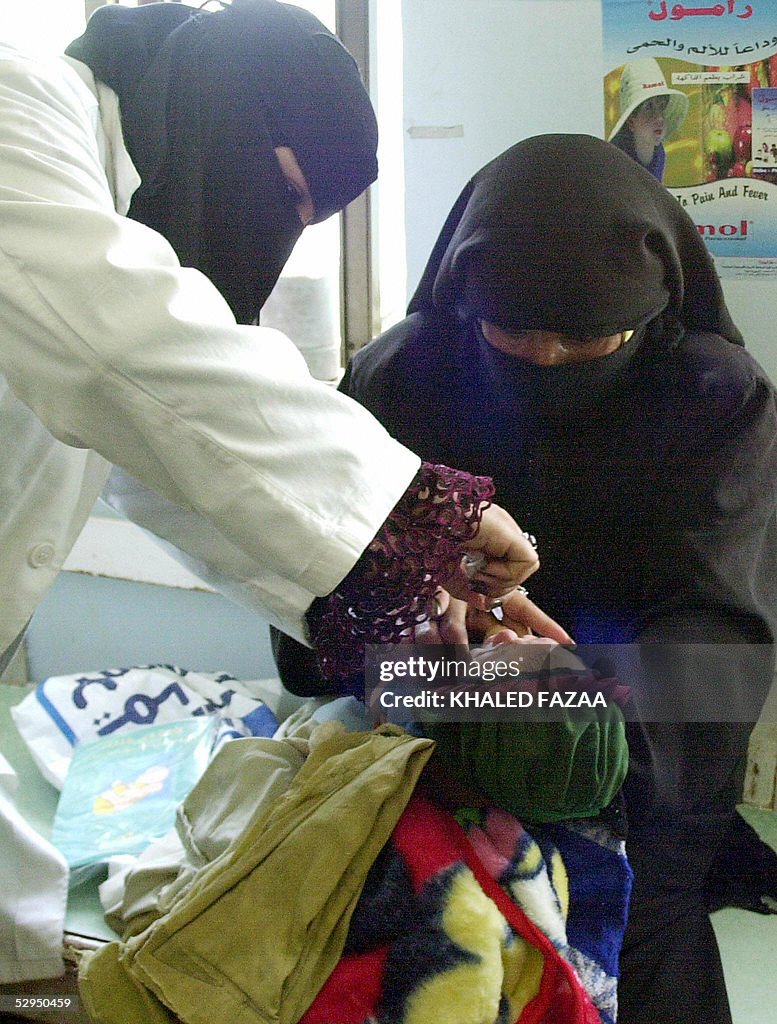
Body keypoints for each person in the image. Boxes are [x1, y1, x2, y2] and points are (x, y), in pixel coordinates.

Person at [0, 1, 566, 984]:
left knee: (30, 942)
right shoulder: (18, 106)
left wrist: (395, 593)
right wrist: (423, 516)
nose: (279, 242)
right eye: (290, 197)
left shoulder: (130, 197)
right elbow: (121, 352)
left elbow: (170, 468)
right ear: (227, 117)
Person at [273, 135, 777, 1024]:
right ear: (464, 302)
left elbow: (718, 650)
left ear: (652, 308)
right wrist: (426, 650)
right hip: (421, 784)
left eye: (585, 339)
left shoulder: (711, 396)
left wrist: (543, 695)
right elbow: (314, 600)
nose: (543, 358)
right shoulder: (401, 374)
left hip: (638, 798)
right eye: (511, 331)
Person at [608, 57, 688, 181]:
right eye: (649, 108)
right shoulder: (616, 161)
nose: (660, 118)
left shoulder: (659, 154)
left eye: (662, 106)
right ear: (631, 122)